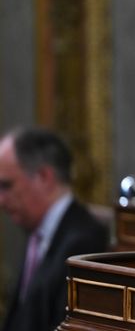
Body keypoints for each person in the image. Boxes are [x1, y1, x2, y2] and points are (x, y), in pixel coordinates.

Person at [0, 127, 109, 331]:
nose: (1, 200)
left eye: (6, 186)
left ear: (44, 177)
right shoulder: (38, 230)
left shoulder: (83, 241)